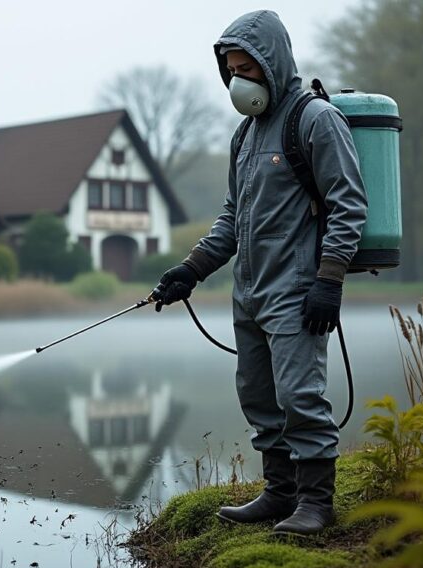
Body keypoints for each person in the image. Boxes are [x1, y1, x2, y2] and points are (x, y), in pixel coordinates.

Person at [151, 10, 367, 536]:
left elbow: (349, 204)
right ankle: (279, 493)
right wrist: (190, 270)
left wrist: (329, 279)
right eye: (232, 72)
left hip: (297, 291)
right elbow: (232, 219)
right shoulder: (244, 136)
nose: (239, 80)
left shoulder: (315, 120)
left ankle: (316, 503)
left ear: (273, 63)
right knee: (258, 397)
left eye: (248, 68)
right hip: (248, 292)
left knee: (300, 397)